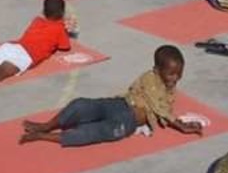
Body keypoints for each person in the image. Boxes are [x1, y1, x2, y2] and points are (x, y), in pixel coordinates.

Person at [20, 45, 205, 146]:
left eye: (179, 73)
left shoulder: (170, 91)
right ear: (157, 70)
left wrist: (178, 123)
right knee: (81, 105)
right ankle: (46, 126)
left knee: (92, 133)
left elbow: (163, 111)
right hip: (119, 104)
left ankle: (43, 136)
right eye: (171, 74)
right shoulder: (149, 78)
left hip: (127, 122)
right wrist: (180, 125)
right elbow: (158, 107)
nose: (175, 78)